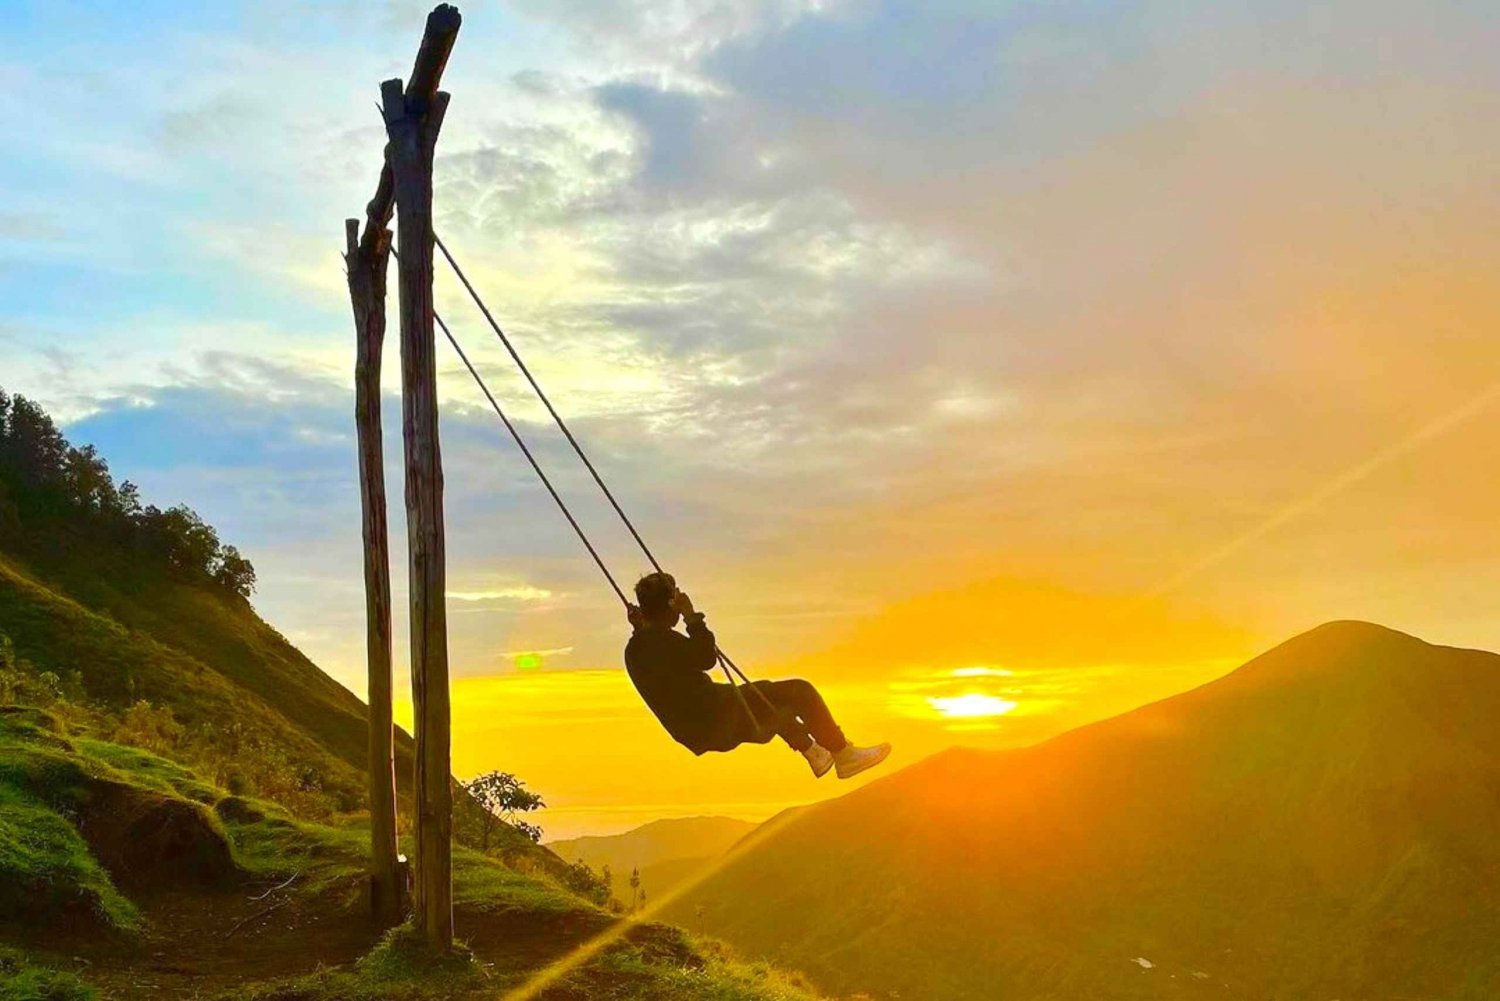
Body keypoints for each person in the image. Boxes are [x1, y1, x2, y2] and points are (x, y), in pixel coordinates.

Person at [624, 571, 891, 779]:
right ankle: (843, 754)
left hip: (695, 728)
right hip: (716, 715)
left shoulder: (636, 648)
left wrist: (640, 627)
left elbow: (657, 661)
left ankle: (814, 752)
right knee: (798, 690)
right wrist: (691, 616)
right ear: (671, 603)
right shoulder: (662, 641)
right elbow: (706, 658)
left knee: (768, 699)